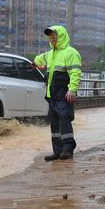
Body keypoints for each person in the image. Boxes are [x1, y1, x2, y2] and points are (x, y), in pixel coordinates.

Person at [34, 25, 82, 161]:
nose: (52, 38)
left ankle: (68, 148)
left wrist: (72, 89)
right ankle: (57, 151)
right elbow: (39, 59)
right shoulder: (50, 54)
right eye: (50, 36)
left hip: (64, 94)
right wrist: (35, 62)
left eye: (54, 35)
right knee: (54, 123)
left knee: (64, 120)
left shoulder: (71, 52)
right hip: (52, 95)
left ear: (61, 36)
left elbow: (75, 72)